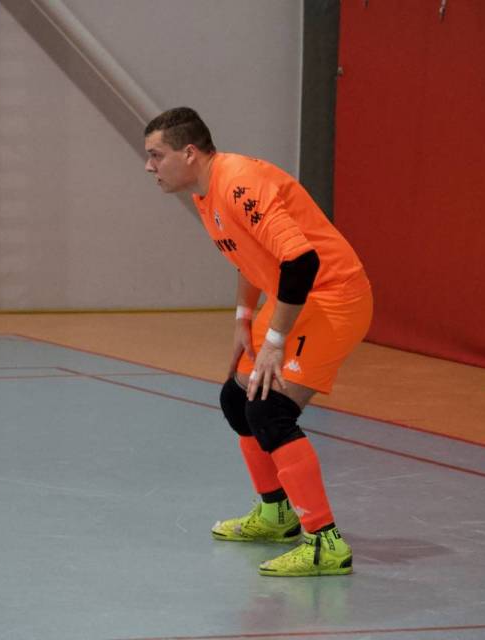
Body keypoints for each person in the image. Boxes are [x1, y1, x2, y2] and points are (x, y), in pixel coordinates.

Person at [143, 107, 373, 577]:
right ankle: (276, 514)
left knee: (269, 409)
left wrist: (275, 340)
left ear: (189, 153)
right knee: (237, 399)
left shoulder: (239, 184)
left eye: (156, 155)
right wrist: (243, 319)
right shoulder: (205, 194)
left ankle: (325, 542)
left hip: (331, 297)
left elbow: (302, 262)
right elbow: (250, 257)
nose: (149, 166)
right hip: (297, 297)